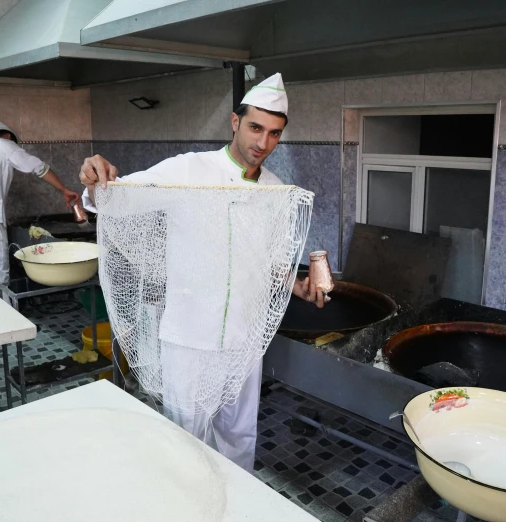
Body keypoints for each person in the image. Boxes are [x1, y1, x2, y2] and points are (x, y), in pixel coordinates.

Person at [78, 73, 328, 472]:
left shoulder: (277, 189)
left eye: (275, 134)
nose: (263, 143)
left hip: (245, 341)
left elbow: (274, 262)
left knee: (239, 436)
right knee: (185, 438)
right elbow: (117, 198)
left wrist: (297, 286)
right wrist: (95, 179)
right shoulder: (190, 170)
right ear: (235, 122)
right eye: (255, 128)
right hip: (190, 336)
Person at [0, 120, 81, 294]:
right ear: (7, 137)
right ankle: (6, 319)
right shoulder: (4, 144)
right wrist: (64, 189)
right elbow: (39, 167)